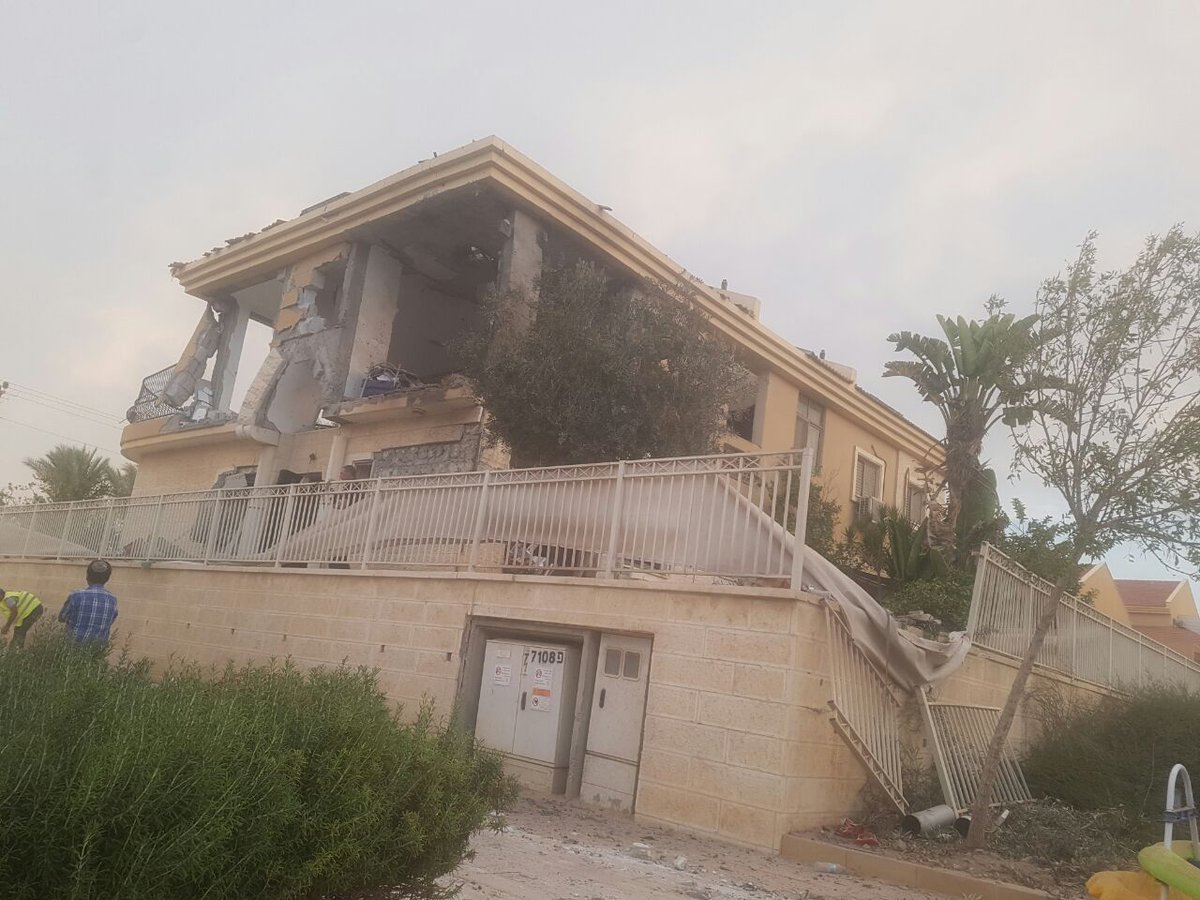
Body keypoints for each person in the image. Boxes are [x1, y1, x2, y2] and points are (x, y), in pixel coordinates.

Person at [59, 559, 119, 645]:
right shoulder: (112, 600)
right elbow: (111, 621)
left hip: (71, 649)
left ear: (87, 576)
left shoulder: (76, 595)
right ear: (107, 579)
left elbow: (62, 618)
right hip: (96, 650)